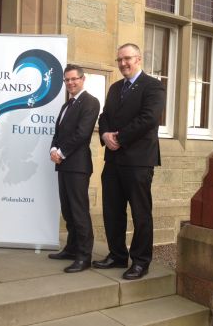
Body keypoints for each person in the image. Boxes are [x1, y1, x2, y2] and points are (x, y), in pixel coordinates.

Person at [93, 43, 165, 280]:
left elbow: (149, 118)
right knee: (112, 210)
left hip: (139, 161)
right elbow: (104, 116)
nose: (123, 63)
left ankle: (141, 261)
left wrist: (120, 138)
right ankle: (117, 255)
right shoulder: (115, 88)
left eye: (127, 59)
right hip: (113, 160)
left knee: (140, 213)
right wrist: (104, 134)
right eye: (120, 60)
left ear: (138, 59)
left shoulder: (153, 86)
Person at [48, 64, 100, 273]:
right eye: (67, 80)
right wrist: (53, 148)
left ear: (82, 79)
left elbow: (82, 134)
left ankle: (84, 256)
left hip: (77, 166)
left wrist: (59, 153)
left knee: (79, 212)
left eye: (74, 79)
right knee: (68, 210)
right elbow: (58, 133)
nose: (70, 83)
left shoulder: (90, 102)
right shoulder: (66, 105)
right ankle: (71, 248)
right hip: (63, 165)